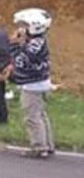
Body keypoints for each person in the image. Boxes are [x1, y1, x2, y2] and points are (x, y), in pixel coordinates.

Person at [10, 9, 54, 158]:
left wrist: (14, 45)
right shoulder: (37, 41)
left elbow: (22, 61)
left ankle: (39, 147)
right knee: (40, 114)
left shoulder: (35, 43)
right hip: (40, 82)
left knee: (32, 117)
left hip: (33, 85)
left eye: (26, 25)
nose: (22, 28)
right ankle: (48, 144)